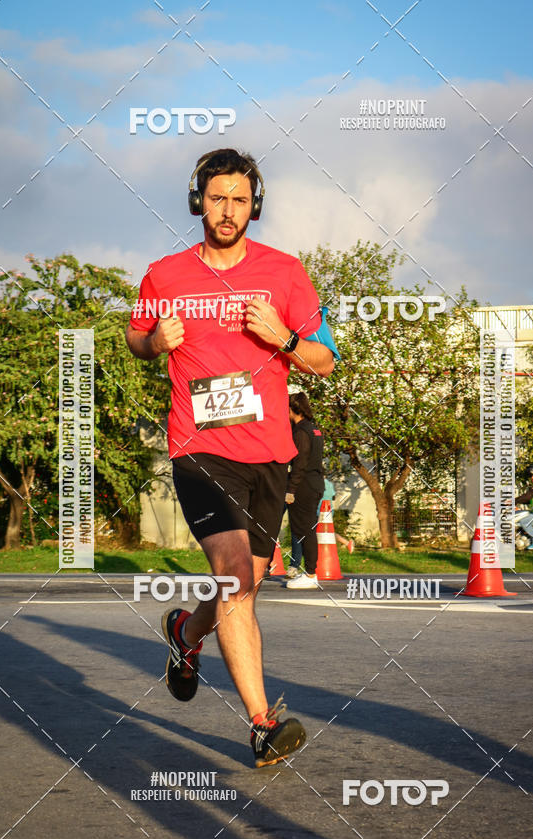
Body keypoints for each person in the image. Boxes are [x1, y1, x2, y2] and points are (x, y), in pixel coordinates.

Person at [125, 148, 335, 766]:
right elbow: (136, 336)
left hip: (270, 453)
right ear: (199, 201)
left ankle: (185, 635)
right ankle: (263, 724)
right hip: (199, 449)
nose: (227, 210)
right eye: (217, 198)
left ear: (255, 206)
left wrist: (286, 338)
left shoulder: (286, 273)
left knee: (247, 581)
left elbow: (324, 359)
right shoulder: (164, 275)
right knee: (237, 577)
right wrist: (153, 340)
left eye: (240, 200)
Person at [284, 392, 324, 589]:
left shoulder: (300, 431)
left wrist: (291, 488)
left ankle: (310, 574)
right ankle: (309, 572)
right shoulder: (315, 429)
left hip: (304, 485)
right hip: (315, 482)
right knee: (306, 529)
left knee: (303, 530)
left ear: (293, 410)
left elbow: (300, 462)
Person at [287, 476, 354, 578]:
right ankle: (346, 543)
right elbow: (332, 496)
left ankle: (298, 566)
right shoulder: (329, 484)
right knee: (325, 534)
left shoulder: (311, 483)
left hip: (316, 512)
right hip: (328, 512)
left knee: (310, 535)